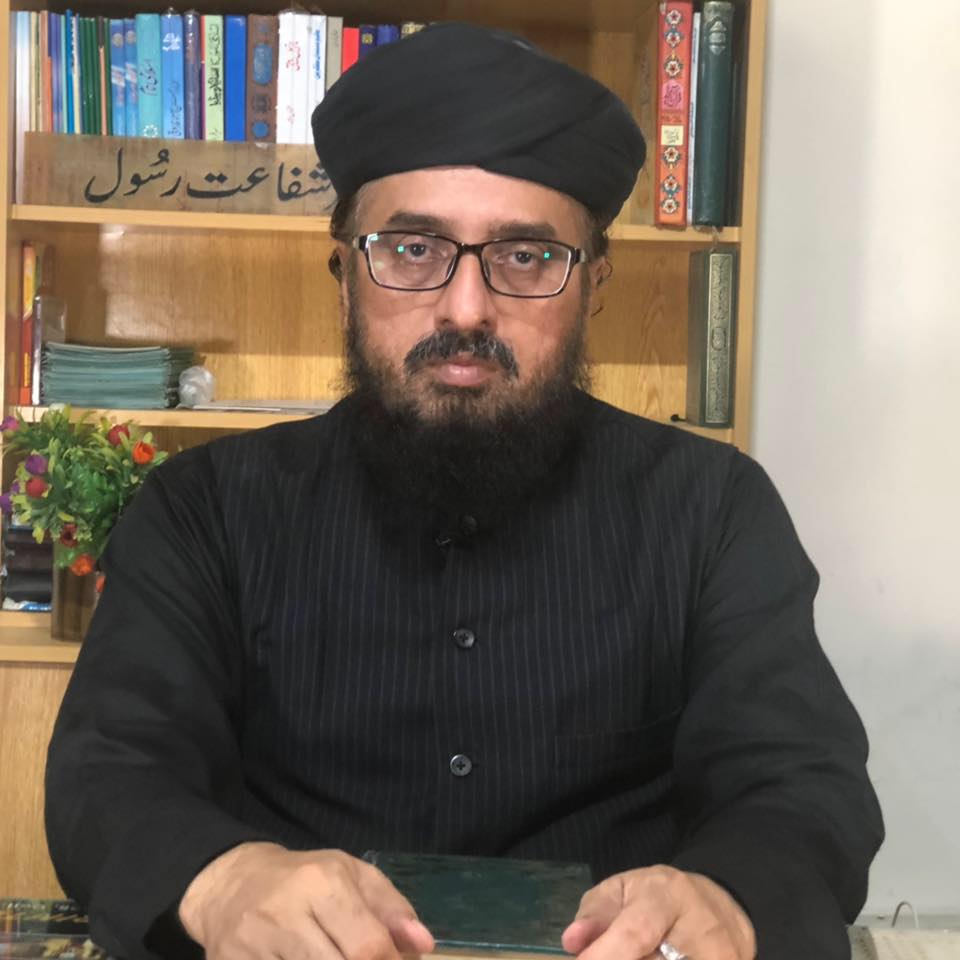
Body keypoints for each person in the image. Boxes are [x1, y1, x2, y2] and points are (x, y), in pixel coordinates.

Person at [45, 22, 883, 960]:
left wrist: (727, 897)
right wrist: (222, 879)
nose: (466, 308)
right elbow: (109, 769)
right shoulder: (203, 510)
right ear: (345, 275)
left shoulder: (712, 509)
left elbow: (800, 784)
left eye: (526, 257)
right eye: (412, 249)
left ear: (594, 284)